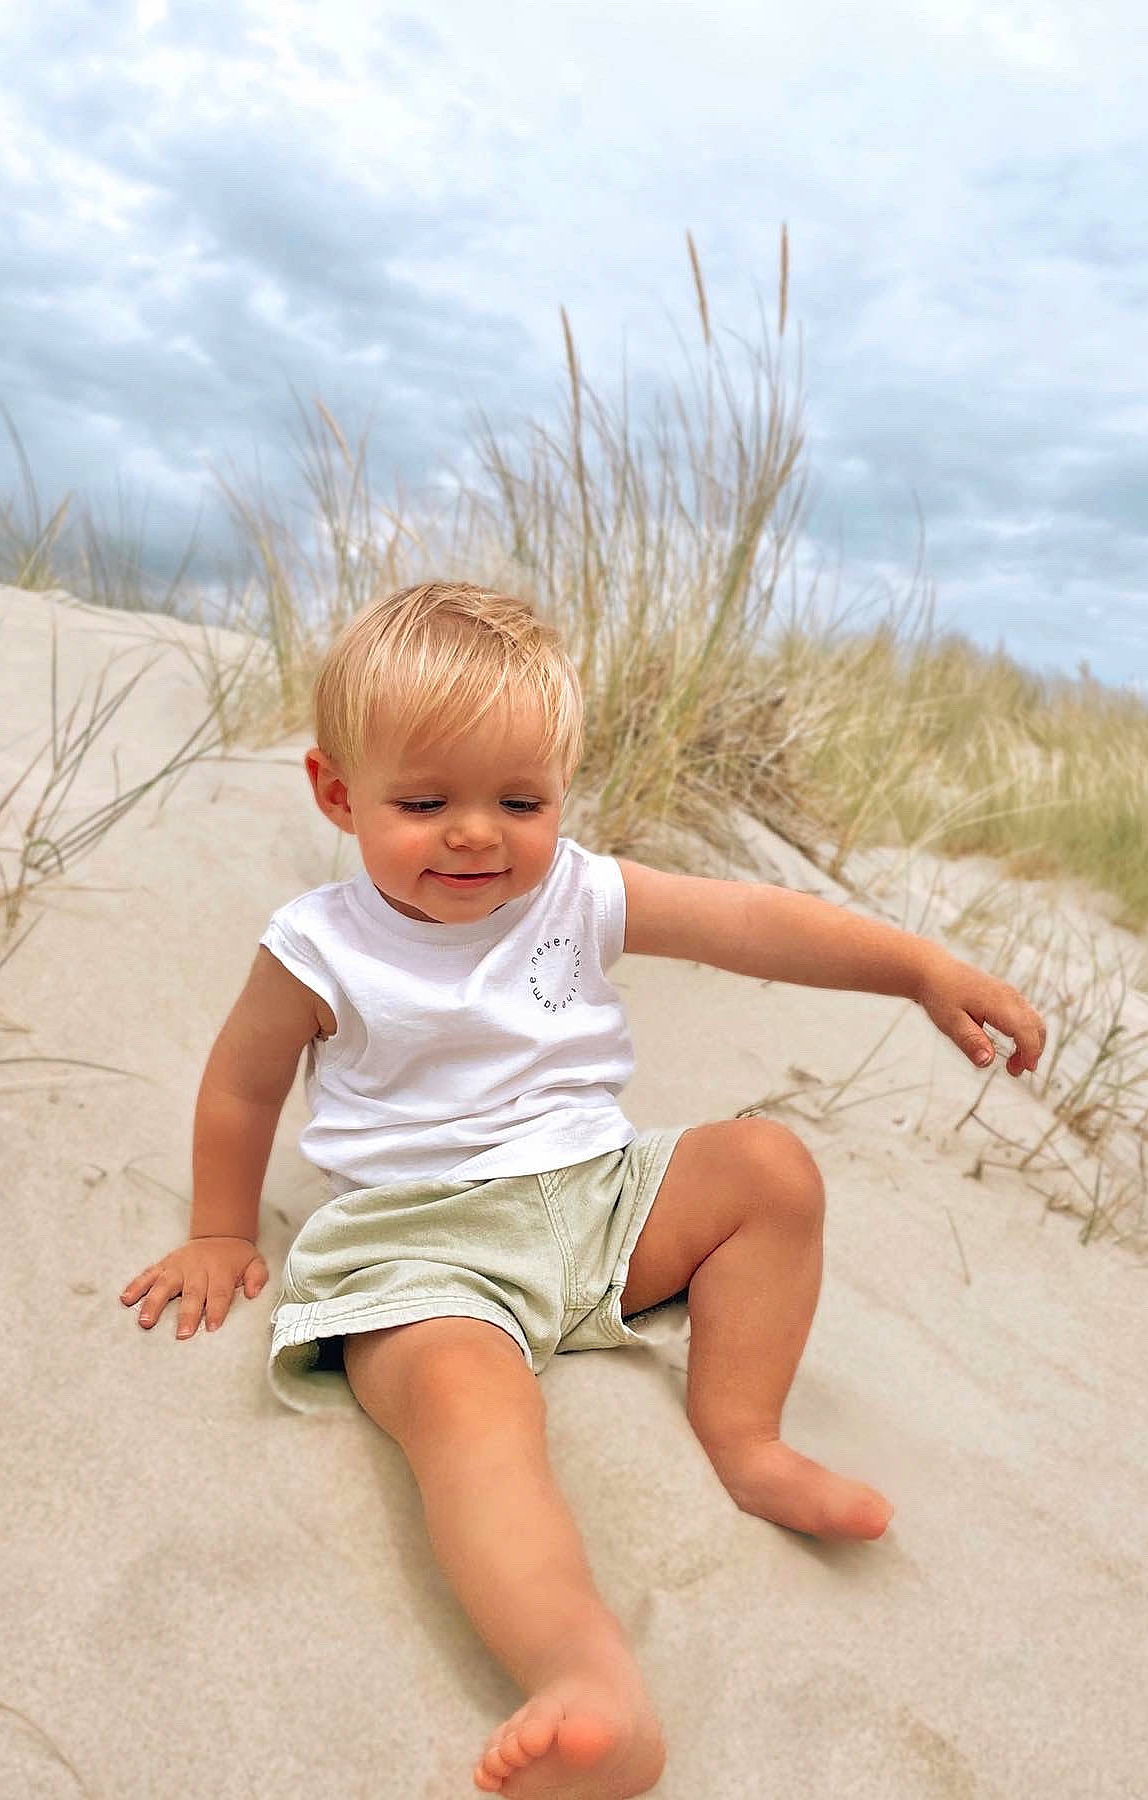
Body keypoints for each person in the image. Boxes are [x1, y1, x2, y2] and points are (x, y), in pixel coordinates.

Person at [120, 579, 1046, 1799]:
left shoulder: (575, 896)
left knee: (769, 1167)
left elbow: (752, 924)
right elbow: (240, 1090)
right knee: (468, 1415)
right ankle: (587, 1676)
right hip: (419, 1252)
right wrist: (218, 1229)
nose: (474, 835)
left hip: (598, 1200)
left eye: (520, 800)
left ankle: (745, 1438)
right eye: (423, 801)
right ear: (338, 794)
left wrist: (917, 966)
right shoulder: (319, 944)